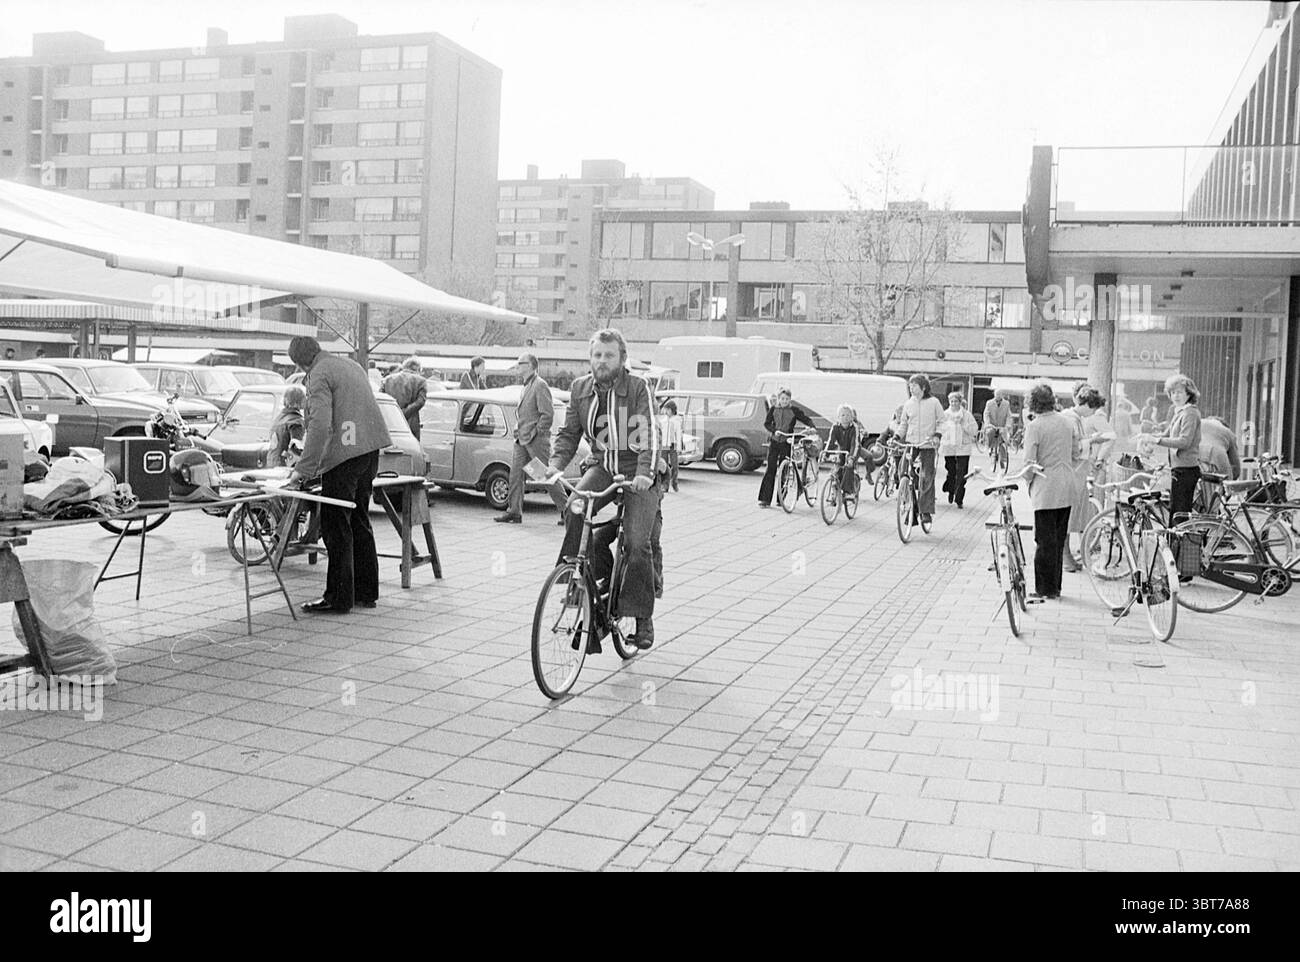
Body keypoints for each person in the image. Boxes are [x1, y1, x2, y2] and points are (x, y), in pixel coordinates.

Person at [549, 329, 660, 651]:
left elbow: (649, 434)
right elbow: (569, 434)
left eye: (609, 355)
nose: (602, 361)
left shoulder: (638, 387)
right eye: (597, 355)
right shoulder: (580, 389)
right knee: (575, 508)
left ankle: (641, 617)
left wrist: (644, 474)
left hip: (638, 470)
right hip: (603, 467)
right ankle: (576, 577)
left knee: (638, 544)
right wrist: (555, 466)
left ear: (622, 359)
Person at [286, 336, 392, 614]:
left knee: (336, 526)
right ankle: (366, 592)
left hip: (343, 458)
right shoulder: (350, 365)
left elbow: (319, 425)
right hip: (369, 451)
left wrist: (303, 469)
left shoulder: (318, 374)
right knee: (359, 518)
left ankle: (338, 597)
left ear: (300, 362)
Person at [1023, 381, 1080, 601]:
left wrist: (1027, 480)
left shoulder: (1035, 426)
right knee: (1057, 538)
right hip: (1067, 485)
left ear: (1032, 403)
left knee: (1043, 541)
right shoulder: (1066, 422)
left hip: (1045, 487)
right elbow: (1075, 452)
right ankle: (1056, 587)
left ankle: (1044, 588)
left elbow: (1029, 462)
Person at [497, 353, 553, 523]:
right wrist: (518, 428)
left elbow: (547, 415)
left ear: (530, 365)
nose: (517, 366)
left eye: (520, 363)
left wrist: (535, 433)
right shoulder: (526, 385)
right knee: (515, 475)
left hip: (534, 441)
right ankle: (514, 511)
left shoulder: (539, 385)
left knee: (544, 476)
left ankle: (568, 510)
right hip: (522, 440)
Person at [1061, 384, 1111, 571]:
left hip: (1077, 473)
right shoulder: (1071, 419)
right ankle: (1065, 556)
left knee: (1074, 515)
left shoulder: (1076, 418)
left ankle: (1068, 555)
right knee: (1069, 515)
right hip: (1072, 473)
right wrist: (1093, 440)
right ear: (1088, 405)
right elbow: (1074, 447)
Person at [1141, 373, 1202, 524]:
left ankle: (1181, 547)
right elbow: (1166, 434)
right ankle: (1175, 545)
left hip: (1186, 469)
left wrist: (1156, 440)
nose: (1176, 396)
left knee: (1180, 516)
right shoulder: (1179, 411)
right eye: (1173, 392)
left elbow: (1184, 441)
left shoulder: (1191, 413)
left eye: (1180, 392)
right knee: (1175, 512)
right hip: (1178, 468)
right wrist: (1147, 437)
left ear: (1189, 393)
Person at [895, 374, 945, 524]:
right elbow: (903, 424)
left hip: (927, 444)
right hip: (911, 443)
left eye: (914, 385)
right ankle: (910, 503)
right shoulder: (908, 404)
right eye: (910, 385)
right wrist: (897, 437)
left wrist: (937, 435)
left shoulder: (934, 402)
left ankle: (926, 512)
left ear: (923, 387)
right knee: (902, 471)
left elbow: (942, 422)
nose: (911, 388)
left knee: (926, 477)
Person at [757, 389, 817, 508]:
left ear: (790, 400)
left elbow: (806, 419)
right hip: (774, 441)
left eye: (787, 399)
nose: (784, 401)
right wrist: (774, 431)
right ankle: (765, 499)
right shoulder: (773, 409)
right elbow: (767, 424)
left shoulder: (794, 410)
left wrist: (812, 427)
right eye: (782, 399)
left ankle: (781, 498)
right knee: (770, 469)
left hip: (787, 441)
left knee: (784, 470)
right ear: (779, 399)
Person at [939, 391, 978, 509]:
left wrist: (963, 426)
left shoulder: (966, 415)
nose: (954, 403)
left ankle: (959, 498)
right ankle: (951, 490)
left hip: (963, 448)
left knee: (962, 473)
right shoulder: (945, 414)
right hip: (949, 447)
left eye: (956, 401)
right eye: (951, 401)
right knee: (951, 471)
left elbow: (974, 430)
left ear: (960, 402)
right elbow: (940, 428)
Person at [380, 356, 427, 438]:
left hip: (389, 422)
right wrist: (404, 412)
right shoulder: (421, 381)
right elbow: (420, 402)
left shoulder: (387, 380)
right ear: (418, 369)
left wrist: (395, 412)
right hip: (410, 423)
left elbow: (381, 398)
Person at [826, 404, 864, 498]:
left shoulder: (854, 427)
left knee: (848, 466)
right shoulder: (835, 427)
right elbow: (831, 441)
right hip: (842, 449)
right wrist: (826, 453)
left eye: (848, 415)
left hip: (853, 450)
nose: (845, 417)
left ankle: (848, 491)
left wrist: (852, 458)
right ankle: (836, 490)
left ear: (852, 417)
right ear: (838, 417)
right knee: (838, 467)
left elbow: (854, 444)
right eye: (842, 415)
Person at [267, 384, 307, 469]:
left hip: (272, 462)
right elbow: (296, 448)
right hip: (285, 466)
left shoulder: (279, 417)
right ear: (300, 401)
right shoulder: (295, 421)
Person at [1199, 415, 1241, 480]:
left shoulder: (1199, 422)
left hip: (1189, 455)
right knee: (1227, 483)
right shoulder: (1227, 431)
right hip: (1215, 454)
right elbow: (1236, 468)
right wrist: (1232, 477)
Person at [658, 399, 683, 492]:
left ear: (672, 410)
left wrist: (679, 447)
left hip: (673, 445)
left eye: (667, 410)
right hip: (664, 445)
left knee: (674, 465)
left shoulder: (676, 420)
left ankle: (674, 482)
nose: (666, 412)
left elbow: (678, 434)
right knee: (664, 465)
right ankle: (665, 485)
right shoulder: (663, 420)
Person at [983, 388, 1012, 457]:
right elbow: (986, 414)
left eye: (1000, 394)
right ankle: (988, 446)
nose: (998, 396)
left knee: (1004, 436)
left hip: (1002, 424)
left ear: (1002, 395)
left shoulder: (1006, 403)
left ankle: (1005, 453)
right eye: (997, 394)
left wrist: (1008, 424)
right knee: (990, 433)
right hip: (992, 424)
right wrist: (988, 423)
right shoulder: (989, 403)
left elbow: (1009, 415)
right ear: (994, 394)